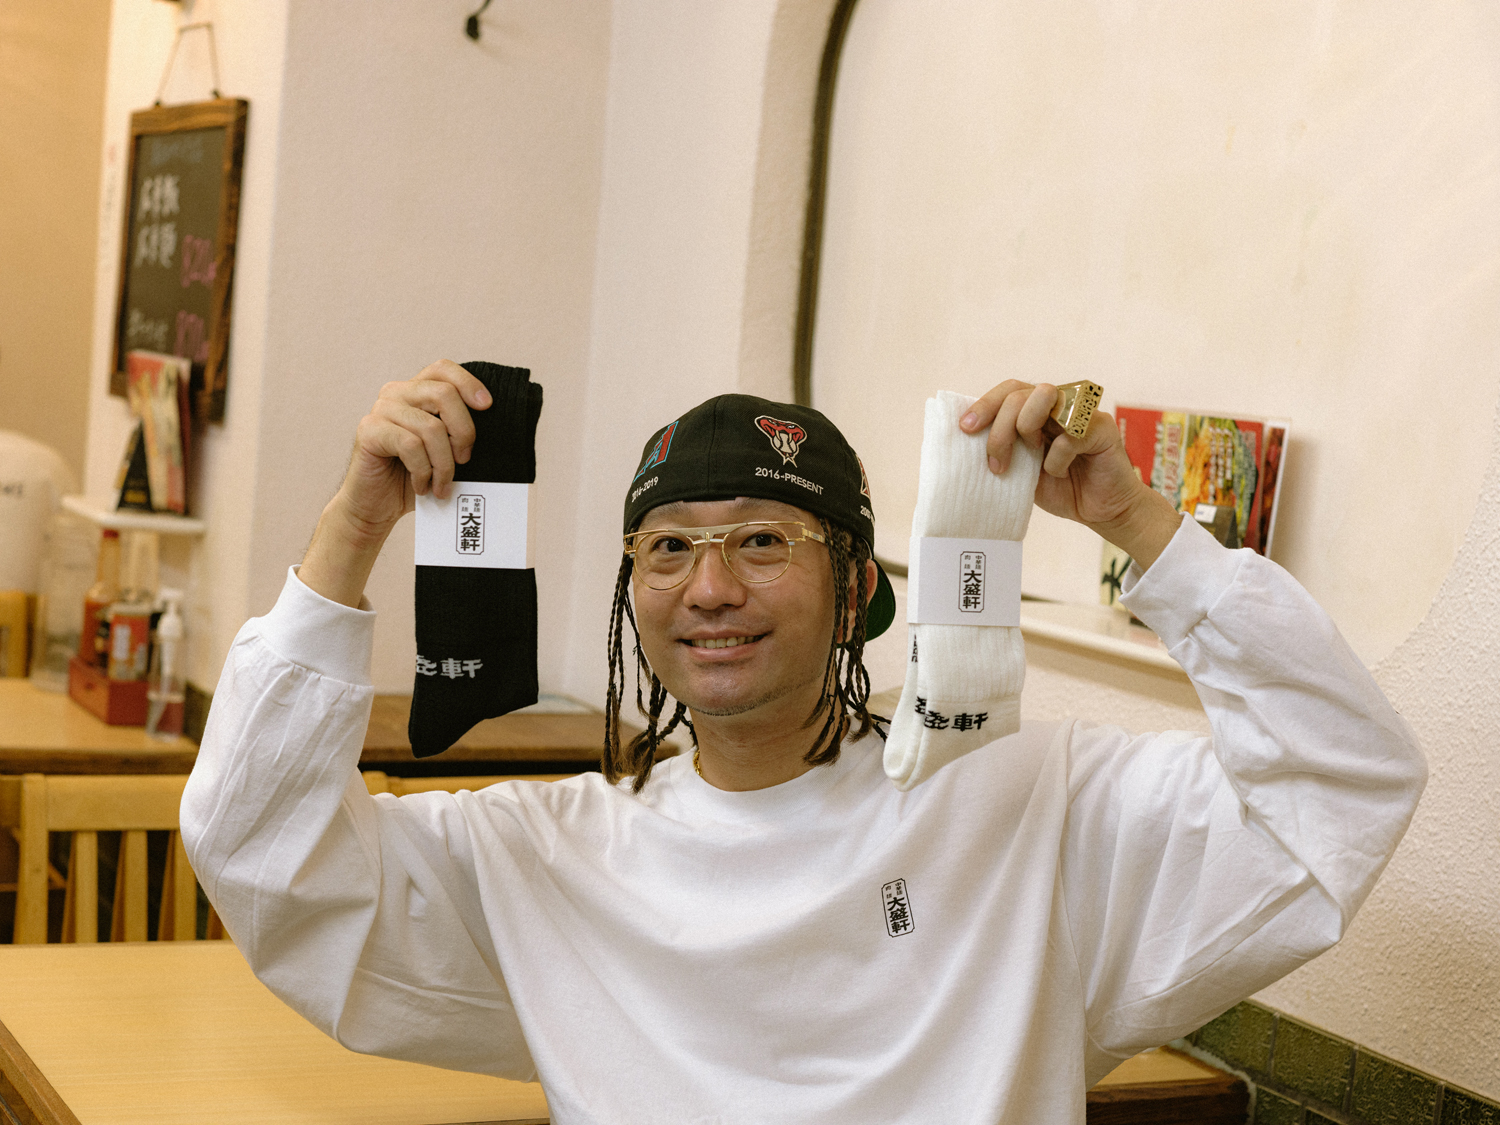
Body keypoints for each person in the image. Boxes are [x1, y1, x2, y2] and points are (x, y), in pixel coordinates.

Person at [181, 360, 1425, 1125]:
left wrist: (1138, 522)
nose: (710, 587)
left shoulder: (1024, 802)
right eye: (668, 548)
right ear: (632, 597)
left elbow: (1341, 790)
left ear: (854, 595)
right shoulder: (545, 854)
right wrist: (354, 525)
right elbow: (264, 861)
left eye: (763, 542)